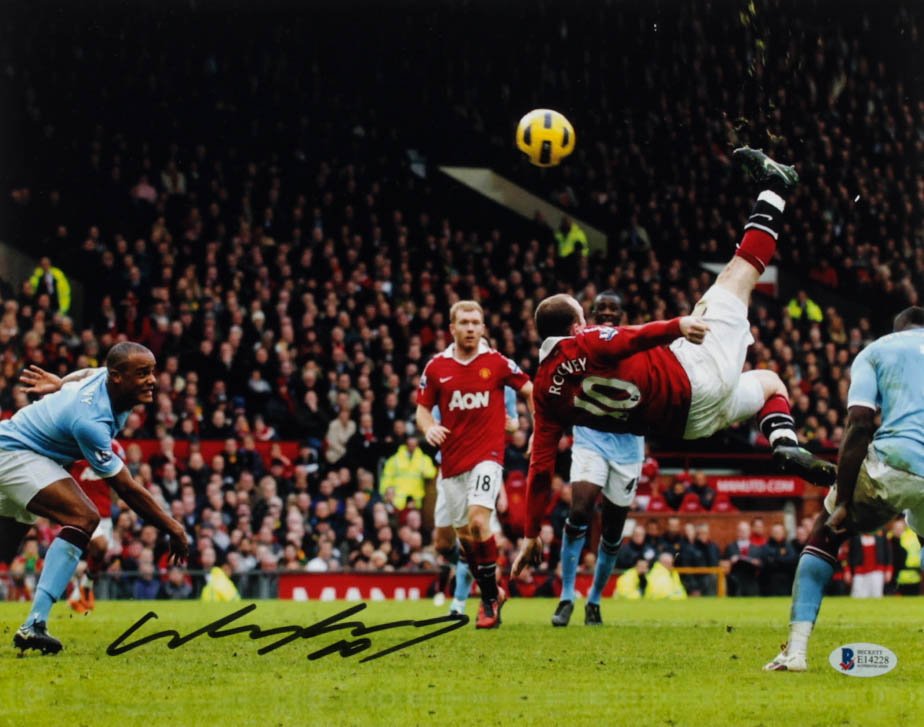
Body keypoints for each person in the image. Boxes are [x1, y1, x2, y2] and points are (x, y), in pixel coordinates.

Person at [514, 148, 835, 574]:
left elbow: (539, 469)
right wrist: (677, 325)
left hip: (686, 424)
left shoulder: (544, 394)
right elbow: (628, 338)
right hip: (691, 375)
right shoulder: (584, 342)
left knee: (771, 384)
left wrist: (531, 533)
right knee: (737, 274)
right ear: (576, 325)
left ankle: (784, 444)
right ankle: (777, 186)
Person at [0, 343, 189, 654]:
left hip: (17, 449)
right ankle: (34, 625)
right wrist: (174, 528)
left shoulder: (107, 381)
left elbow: (89, 373)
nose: (152, 380)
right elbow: (126, 488)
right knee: (84, 517)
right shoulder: (91, 420)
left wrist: (61, 383)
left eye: (152, 372)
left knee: (5, 549)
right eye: (142, 374)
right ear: (117, 377)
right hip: (17, 454)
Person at [764, 306, 924, 671]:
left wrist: (845, 498)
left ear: (897, 328)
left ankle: (796, 652)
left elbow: (860, 424)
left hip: (894, 463)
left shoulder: (878, 350)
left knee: (826, 532)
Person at [416, 300, 533, 629]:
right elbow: (422, 409)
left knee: (479, 524)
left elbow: (530, 390)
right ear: (451, 328)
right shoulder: (436, 367)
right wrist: (429, 427)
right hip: (452, 464)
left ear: (483, 328)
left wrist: (537, 433)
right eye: (463, 322)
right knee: (464, 539)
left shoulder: (496, 362)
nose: (470, 328)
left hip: (488, 458)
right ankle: (492, 592)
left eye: (475, 322)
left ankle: (487, 602)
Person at [550, 290, 647, 627]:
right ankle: (566, 597)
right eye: (601, 308)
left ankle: (593, 600)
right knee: (579, 509)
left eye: (613, 308)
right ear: (590, 316)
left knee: (613, 527)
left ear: (622, 315)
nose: (607, 313)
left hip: (628, 446)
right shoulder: (578, 346)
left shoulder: (637, 344)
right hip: (590, 439)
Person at [432, 383, 517, 616]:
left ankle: (459, 604)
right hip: (449, 469)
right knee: (443, 544)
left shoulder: (500, 389)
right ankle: (489, 588)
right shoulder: (450, 384)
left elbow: (510, 426)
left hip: (481, 468)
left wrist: (501, 489)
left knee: (472, 535)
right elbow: (433, 420)